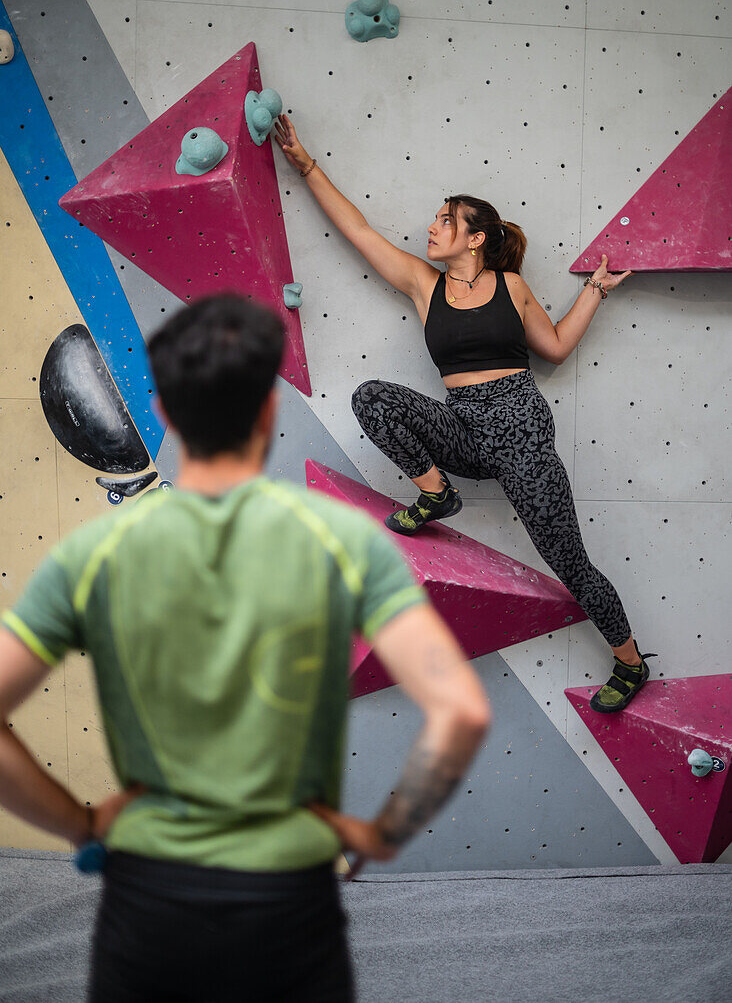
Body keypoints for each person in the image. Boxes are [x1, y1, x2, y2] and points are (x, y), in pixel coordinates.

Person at [0, 296, 491, 1003]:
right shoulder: (344, 542)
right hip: (289, 899)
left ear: (164, 414)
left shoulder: (93, 556)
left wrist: (78, 824)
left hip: (148, 899)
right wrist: (383, 831)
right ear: (267, 412)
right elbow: (460, 713)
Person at [274, 114, 657, 715]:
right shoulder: (425, 287)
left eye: (445, 220)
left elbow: (553, 346)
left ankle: (631, 663)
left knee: (570, 563)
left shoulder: (512, 287)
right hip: (465, 428)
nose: (432, 227)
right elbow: (359, 230)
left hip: (522, 429)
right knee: (372, 397)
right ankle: (435, 495)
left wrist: (595, 291)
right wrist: (306, 164)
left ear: (475, 237)